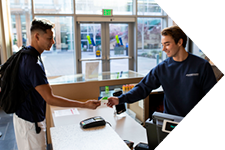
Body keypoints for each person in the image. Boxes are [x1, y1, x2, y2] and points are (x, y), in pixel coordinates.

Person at [13, 18, 101, 150]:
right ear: (37, 36)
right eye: (49, 38)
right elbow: (50, 98)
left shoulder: (25, 54)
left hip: (25, 117)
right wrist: (84, 105)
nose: (53, 42)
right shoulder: (32, 64)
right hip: (30, 123)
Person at [107, 25, 217, 117]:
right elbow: (142, 88)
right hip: (170, 121)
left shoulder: (202, 66)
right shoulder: (162, 68)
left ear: (180, 42)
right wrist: (120, 99)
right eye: (162, 45)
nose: (163, 49)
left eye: (167, 44)